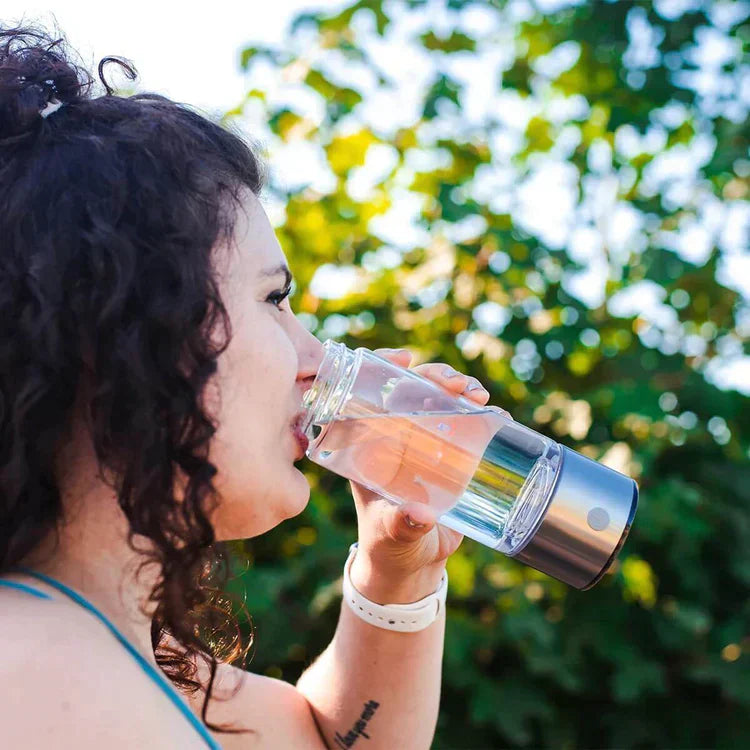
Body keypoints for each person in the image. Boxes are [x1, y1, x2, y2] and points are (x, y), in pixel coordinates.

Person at [0, 22, 493, 750]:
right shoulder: (31, 671)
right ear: (131, 330)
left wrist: (396, 573)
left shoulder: (122, 654)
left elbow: (335, 742)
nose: (316, 358)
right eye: (273, 300)